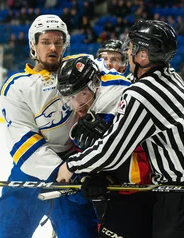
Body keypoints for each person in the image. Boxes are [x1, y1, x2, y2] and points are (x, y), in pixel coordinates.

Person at [57, 20, 184, 238]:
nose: (127, 50)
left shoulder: (142, 93)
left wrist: (72, 165)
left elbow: (113, 151)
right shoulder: (168, 76)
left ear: (143, 55)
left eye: (132, 47)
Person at [0, 14, 98, 238]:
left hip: (73, 166)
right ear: (33, 45)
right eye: (46, 41)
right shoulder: (18, 86)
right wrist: (64, 173)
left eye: (58, 42)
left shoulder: (78, 73)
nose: (53, 47)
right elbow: (24, 142)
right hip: (32, 172)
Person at [57, 55, 152, 238]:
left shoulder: (116, 93)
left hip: (139, 194)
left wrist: (98, 174)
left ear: (94, 84)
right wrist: (94, 176)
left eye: (82, 94)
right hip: (120, 195)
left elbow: (121, 150)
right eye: (71, 97)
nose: (77, 103)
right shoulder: (90, 99)